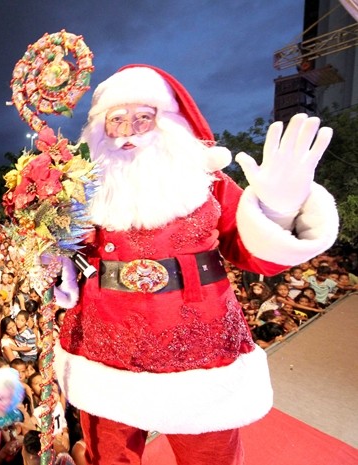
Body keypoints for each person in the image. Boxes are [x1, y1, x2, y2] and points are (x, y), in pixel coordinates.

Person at [52, 65, 338, 465]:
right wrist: (49, 251)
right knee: (110, 458)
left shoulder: (206, 182)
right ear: (101, 130)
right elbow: (66, 259)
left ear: (166, 121)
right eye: (117, 120)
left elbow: (256, 254)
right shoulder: (81, 195)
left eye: (142, 117)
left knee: (211, 458)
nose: (130, 130)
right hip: (105, 348)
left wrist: (279, 209)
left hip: (200, 350)